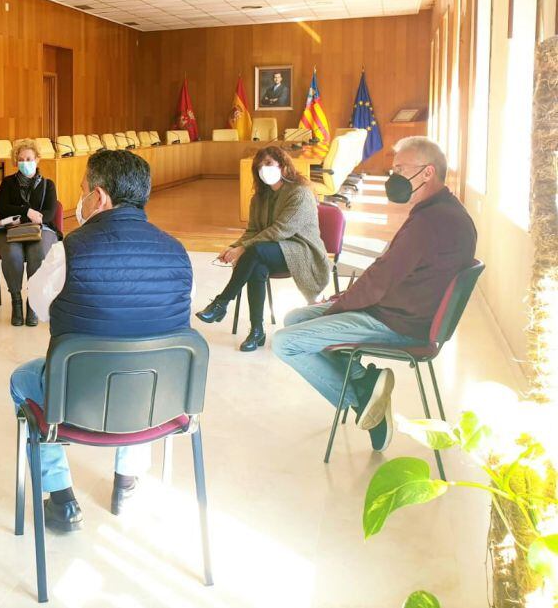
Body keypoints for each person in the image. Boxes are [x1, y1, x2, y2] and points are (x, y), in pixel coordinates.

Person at [9, 149, 200, 533]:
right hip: (157, 401)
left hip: (78, 399)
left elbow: (39, 306)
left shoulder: (68, 250)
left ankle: (60, 499)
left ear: (99, 196)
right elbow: (174, 324)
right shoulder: (179, 252)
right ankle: (127, 484)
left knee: (23, 379)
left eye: (82, 190)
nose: (80, 199)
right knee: (144, 360)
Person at [271, 137, 477, 451]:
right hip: (401, 310)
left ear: (427, 173)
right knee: (295, 317)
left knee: (286, 342)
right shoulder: (443, 211)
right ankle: (363, 381)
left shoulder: (430, 223)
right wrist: (338, 304)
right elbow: (389, 274)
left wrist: (337, 308)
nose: (393, 177)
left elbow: (380, 280)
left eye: (400, 169)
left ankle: (361, 400)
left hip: (398, 323)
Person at [196, 146, 331, 352]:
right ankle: (256, 331)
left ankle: (222, 302)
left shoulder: (300, 193)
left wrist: (242, 249)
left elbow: (280, 230)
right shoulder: (259, 198)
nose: (263, 169)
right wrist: (234, 246)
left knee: (255, 252)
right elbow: (252, 231)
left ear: (283, 166)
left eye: (268, 164)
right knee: (256, 267)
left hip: (302, 251)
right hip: (269, 248)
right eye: (259, 166)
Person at [0, 138, 60, 327]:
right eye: (21, 159)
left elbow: (50, 212)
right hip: (12, 230)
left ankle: (33, 303)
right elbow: (3, 208)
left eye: (29, 158)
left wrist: (32, 217)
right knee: (13, 254)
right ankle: (16, 301)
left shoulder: (48, 184)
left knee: (37, 253)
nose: (25, 163)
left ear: (37, 159)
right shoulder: (7, 183)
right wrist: (26, 211)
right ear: (16, 161)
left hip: (41, 229)